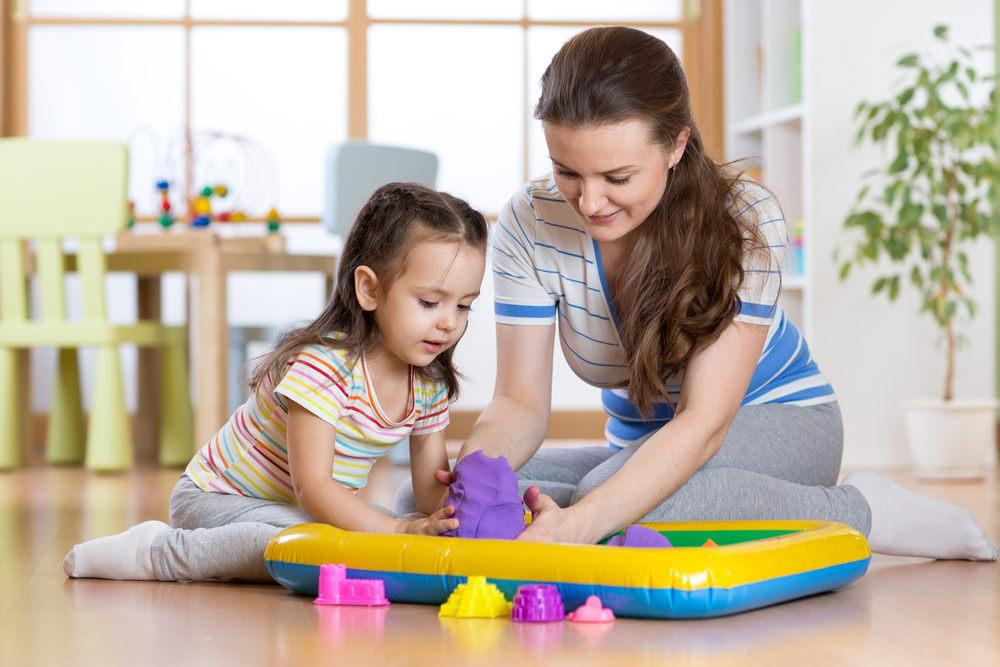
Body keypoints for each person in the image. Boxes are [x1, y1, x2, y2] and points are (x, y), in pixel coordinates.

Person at [395, 27, 997, 561]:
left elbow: (704, 424)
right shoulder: (530, 221)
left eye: (619, 177)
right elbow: (519, 405)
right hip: (641, 442)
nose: (591, 201)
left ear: (676, 146)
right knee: (423, 498)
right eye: (568, 171)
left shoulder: (745, 219)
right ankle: (591, 508)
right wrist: (479, 473)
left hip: (776, 421)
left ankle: (864, 511)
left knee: (609, 507)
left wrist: (583, 521)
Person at [63, 182, 488, 582]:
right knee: (323, 544)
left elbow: (431, 492)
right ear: (369, 290)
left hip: (294, 509)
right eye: (430, 302)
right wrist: (397, 532)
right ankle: (154, 551)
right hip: (217, 499)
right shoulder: (325, 368)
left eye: (465, 306)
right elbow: (314, 486)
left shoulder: (428, 382)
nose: (449, 322)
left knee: (381, 531)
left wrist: (456, 520)